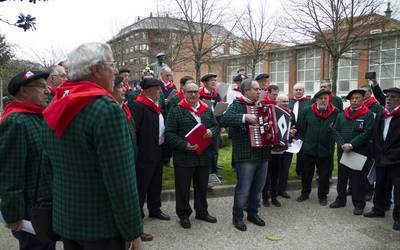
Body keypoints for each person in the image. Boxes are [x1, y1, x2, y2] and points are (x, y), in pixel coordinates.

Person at [42, 42, 143, 250]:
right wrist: (133, 230)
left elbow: (48, 168)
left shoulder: (57, 104)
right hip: (102, 227)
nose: (116, 71)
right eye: (112, 65)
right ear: (96, 70)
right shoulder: (106, 109)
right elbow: (121, 180)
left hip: (68, 221)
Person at [0, 71, 56, 250]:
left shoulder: (38, 116)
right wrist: (14, 214)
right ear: (23, 92)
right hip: (29, 212)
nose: (47, 91)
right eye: (41, 86)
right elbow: (10, 171)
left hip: (45, 206)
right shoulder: (16, 121)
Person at [165, 82, 219, 229]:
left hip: (204, 156)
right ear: (183, 93)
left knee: (201, 186)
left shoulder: (206, 110)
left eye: (195, 91)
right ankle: (183, 215)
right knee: (183, 188)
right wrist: (184, 145)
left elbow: (215, 126)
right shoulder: (176, 111)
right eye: (190, 92)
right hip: (184, 157)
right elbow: (169, 134)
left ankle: (202, 211)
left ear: (199, 93)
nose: (193, 95)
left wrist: (211, 132)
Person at [220, 79, 270, 232]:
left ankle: (253, 213)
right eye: (255, 89)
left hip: (263, 154)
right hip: (245, 155)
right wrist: (244, 117)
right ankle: (238, 217)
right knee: (244, 189)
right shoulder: (237, 105)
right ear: (246, 90)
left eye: (259, 89)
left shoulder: (262, 106)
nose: (258, 91)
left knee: (258, 188)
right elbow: (223, 120)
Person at [129, 78, 171, 222]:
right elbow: (135, 131)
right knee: (142, 184)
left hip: (157, 148)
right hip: (145, 152)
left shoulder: (155, 104)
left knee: (156, 182)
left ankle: (155, 208)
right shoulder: (138, 105)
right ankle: (137, 212)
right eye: (158, 88)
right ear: (149, 90)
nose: (160, 91)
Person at [329, 89, 374, 216]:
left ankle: (359, 204)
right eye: (352, 98)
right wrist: (342, 144)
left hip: (358, 152)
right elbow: (335, 130)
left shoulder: (368, 115)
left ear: (362, 99)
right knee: (342, 178)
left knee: (357, 180)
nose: (354, 100)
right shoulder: (342, 115)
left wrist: (352, 144)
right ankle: (340, 199)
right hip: (343, 151)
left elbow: (367, 133)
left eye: (358, 98)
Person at [364, 82, 400, 231]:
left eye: (393, 97)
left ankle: (398, 218)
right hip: (381, 156)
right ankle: (379, 209)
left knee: (398, 190)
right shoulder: (382, 113)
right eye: (387, 96)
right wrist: (376, 151)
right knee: (380, 185)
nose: (388, 99)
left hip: (397, 159)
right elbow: (376, 134)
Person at [296, 90, 339, 206]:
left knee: (324, 174)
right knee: (306, 173)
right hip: (309, 148)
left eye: (325, 98)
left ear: (329, 100)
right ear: (316, 100)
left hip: (326, 149)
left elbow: (337, 130)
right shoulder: (307, 111)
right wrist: (305, 143)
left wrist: (330, 144)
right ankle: (305, 193)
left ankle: (323, 195)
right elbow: (302, 129)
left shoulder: (335, 112)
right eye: (321, 98)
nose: (323, 101)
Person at [276, 94, 297, 199]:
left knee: (285, 168)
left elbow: (294, 126)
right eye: (283, 101)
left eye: (287, 101)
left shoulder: (291, 113)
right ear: (277, 102)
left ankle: (282, 189)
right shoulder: (274, 112)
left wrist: (293, 131)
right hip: (276, 146)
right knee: (275, 168)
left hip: (288, 145)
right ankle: (273, 190)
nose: (285, 103)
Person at [289, 83, 311, 177]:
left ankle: (300, 171)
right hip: (290, 131)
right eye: (296, 90)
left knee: (302, 153)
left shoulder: (308, 103)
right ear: (293, 91)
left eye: (300, 90)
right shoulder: (289, 102)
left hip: (303, 131)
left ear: (303, 91)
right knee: (288, 153)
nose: (298, 91)